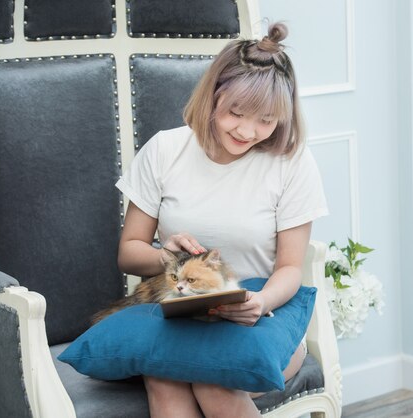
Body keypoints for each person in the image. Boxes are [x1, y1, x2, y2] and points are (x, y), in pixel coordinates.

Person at [115, 22, 328, 418]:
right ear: (214, 94)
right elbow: (129, 254)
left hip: (263, 319)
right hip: (181, 317)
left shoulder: (292, 163)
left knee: (214, 380)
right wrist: (166, 257)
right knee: (165, 377)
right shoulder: (166, 150)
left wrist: (260, 301)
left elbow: (290, 269)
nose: (248, 131)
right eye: (236, 113)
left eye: (267, 120)